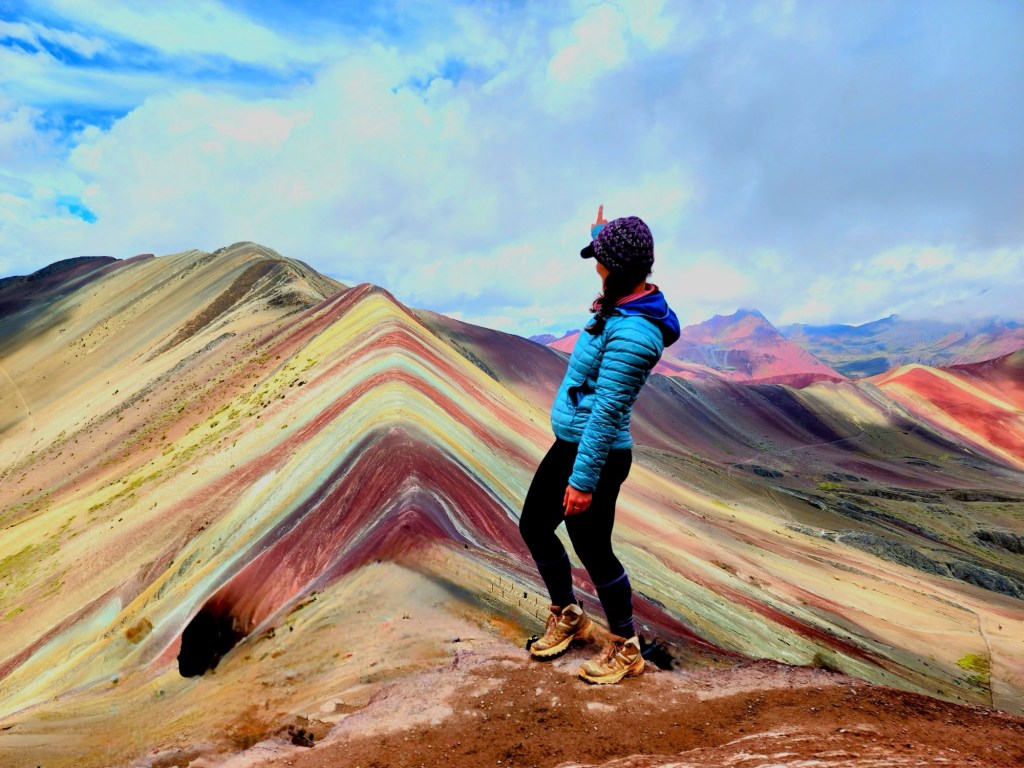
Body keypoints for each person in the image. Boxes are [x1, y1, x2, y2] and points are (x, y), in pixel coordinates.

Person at [519, 206, 680, 684]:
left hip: (599, 455)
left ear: (618, 271)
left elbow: (607, 410)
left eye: (601, 259)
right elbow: (618, 260)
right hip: (574, 442)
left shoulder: (634, 332)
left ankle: (627, 647)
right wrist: (602, 234)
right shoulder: (623, 303)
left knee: (593, 549)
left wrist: (583, 482)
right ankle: (568, 614)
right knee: (535, 526)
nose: (596, 266)